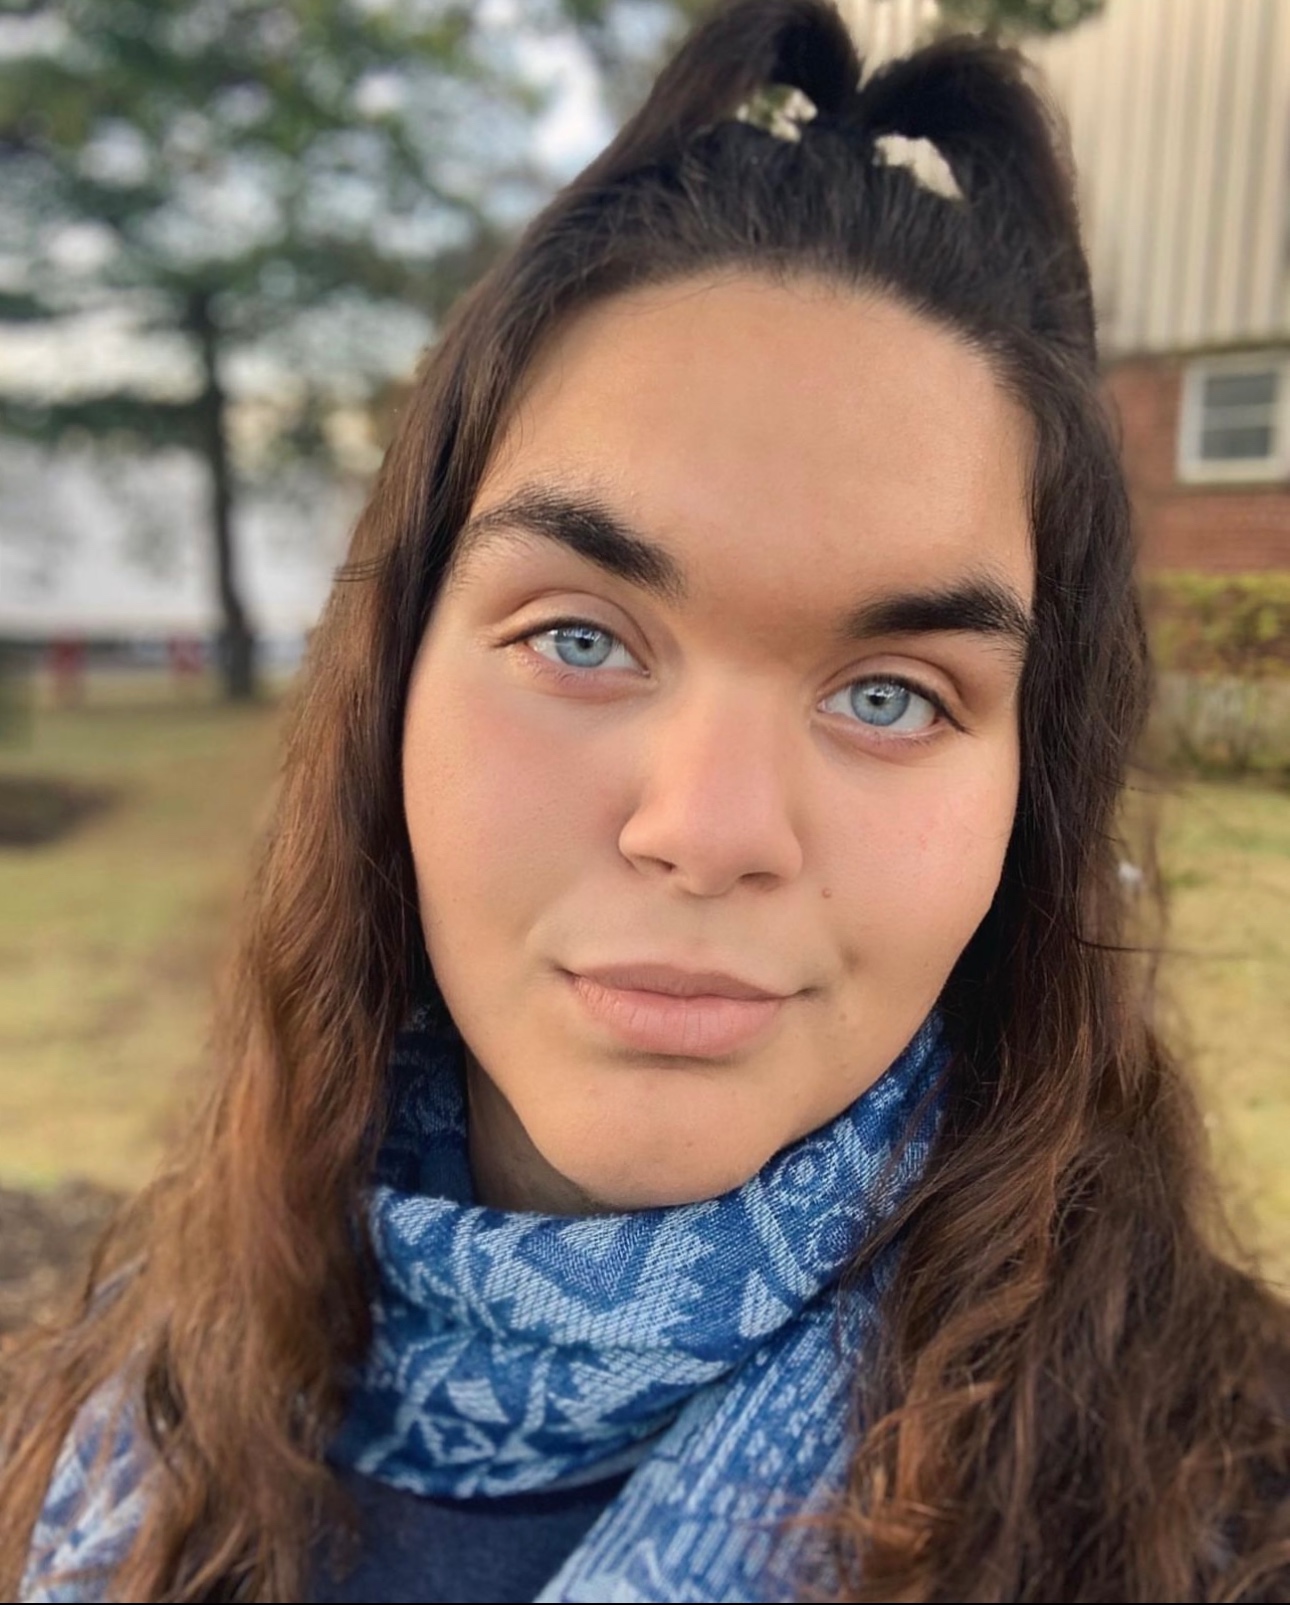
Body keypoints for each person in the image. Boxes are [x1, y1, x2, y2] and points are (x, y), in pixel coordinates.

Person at [3, 2, 1288, 1599]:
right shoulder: (145, 1368)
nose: (709, 825)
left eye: (890, 694)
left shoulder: (1221, 1496)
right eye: (582, 637)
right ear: (389, 689)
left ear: (1030, 794)